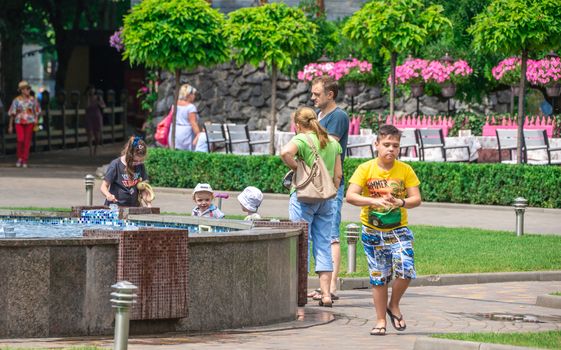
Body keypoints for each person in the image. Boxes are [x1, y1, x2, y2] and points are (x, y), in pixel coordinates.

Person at [345, 124, 421, 336]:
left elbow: (416, 199)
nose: (391, 149)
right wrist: (374, 201)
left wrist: (400, 202)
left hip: (399, 230)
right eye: (386, 145)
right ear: (376, 145)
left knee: (406, 270)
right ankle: (380, 320)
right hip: (372, 232)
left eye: (395, 146)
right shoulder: (365, 169)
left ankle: (393, 305)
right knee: (379, 278)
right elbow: (350, 195)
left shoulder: (405, 170)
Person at [280, 106, 342, 308]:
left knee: (300, 243)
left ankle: (299, 292)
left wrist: (298, 169)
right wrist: (329, 188)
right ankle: (325, 294)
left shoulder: (301, 139)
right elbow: (338, 175)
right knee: (323, 243)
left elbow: (284, 153)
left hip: (303, 198)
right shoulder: (332, 143)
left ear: (297, 125)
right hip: (327, 199)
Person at [310, 76, 349, 300]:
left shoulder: (339, 116)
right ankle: (323, 286)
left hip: (331, 184)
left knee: (331, 234)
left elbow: (327, 145)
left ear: (330, 94)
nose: (313, 97)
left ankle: (332, 287)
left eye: (317, 94)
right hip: (316, 183)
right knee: (320, 235)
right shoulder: (319, 116)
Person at [100, 136, 152, 207]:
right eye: (136, 161)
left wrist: (149, 204)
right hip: (115, 207)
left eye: (141, 161)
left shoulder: (140, 165)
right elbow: (103, 187)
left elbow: (142, 188)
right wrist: (108, 195)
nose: (138, 163)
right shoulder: (115, 164)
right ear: (129, 154)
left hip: (133, 207)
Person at [8, 81, 41, 168]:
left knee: (27, 141)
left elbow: (37, 111)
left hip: (30, 122)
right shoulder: (16, 100)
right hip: (19, 121)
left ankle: (24, 159)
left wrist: (36, 120)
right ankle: (19, 157)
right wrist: (10, 125)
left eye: (29, 88)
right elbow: (12, 113)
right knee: (20, 139)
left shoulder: (33, 100)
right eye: (27, 88)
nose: (28, 90)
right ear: (22, 90)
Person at [169, 84, 201, 150]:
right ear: (189, 95)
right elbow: (193, 123)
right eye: (193, 94)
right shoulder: (190, 107)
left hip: (174, 131)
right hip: (185, 135)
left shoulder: (174, 104)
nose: (194, 96)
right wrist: (199, 135)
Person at [85, 85, 106, 157]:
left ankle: (95, 150)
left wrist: (99, 103)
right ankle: (91, 151)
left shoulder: (98, 97)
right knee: (90, 134)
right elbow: (86, 106)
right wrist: (88, 97)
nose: (92, 91)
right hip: (89, 117)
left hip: (97, 117)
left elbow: (103, 105)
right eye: (90, 89)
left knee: (97, 136)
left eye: (93, 89)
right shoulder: (87, 98)